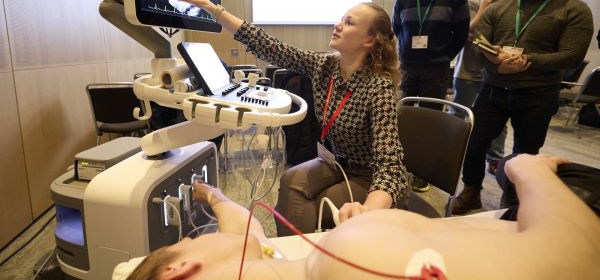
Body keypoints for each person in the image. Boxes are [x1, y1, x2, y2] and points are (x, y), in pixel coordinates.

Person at [175, 0, 409, 235]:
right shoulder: (325, 66)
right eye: (341, 19)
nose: (338, 25)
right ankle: (294, 248)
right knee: (290, 180)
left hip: (369, 176)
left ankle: (304, 254)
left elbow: (389, 167)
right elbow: (270, 47)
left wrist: (369, 210)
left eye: (349, 22)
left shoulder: (378, 87)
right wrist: (212, 8)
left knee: (309, 204)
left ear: (369, 40)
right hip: (335, 162)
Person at [125, 154, 600, 280]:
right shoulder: (349, 260)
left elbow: (240, 227)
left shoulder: (276, 265)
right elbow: (578, 260)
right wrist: (527, 171)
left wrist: (213, 196)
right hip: (573, 216)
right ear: (179, 270)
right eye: (190, 239)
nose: (201, 236)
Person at [453, 0, 594, 215]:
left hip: (537, 94)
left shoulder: (574, 10)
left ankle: (513, 200)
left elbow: (571, 56)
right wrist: (497, 64)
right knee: (473, 143)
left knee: (526, 153)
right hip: (492, 90)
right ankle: (471, 191)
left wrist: (525, 61)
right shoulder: (500, 9)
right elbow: (479, 44)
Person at [392, 0, 470, 192]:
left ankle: (422, 171)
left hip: (436, 69)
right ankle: (400, 162)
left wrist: (442, 56)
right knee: (402, 114)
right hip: (407, 67)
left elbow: (461, 34)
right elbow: (397, 30)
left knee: (430, 118)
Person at [452, 0, 517, 176]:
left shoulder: (509, 6)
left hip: (497, 74)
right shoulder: (469, 3)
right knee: (459, 114)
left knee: (498, 118)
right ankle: (450, 150)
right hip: (468, 71)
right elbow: (469, 33)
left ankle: (495, 159)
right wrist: (486, 2)